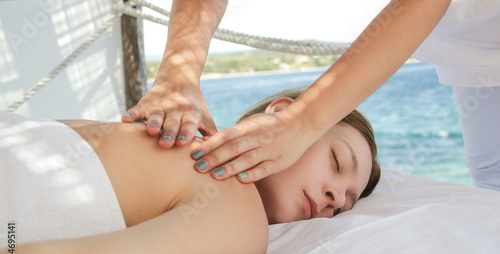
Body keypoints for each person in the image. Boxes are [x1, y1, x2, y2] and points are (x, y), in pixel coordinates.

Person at [0, 87, 380, 254]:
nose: (334, 197)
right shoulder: (235, 209)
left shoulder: (172, 138)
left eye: (345, 203)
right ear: (283, 113)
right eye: (335, 160)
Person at [124, 0, 500, 191]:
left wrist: (301, 123)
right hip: (470, 42)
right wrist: (178, 75)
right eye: (336, 163)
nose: (335, 202)